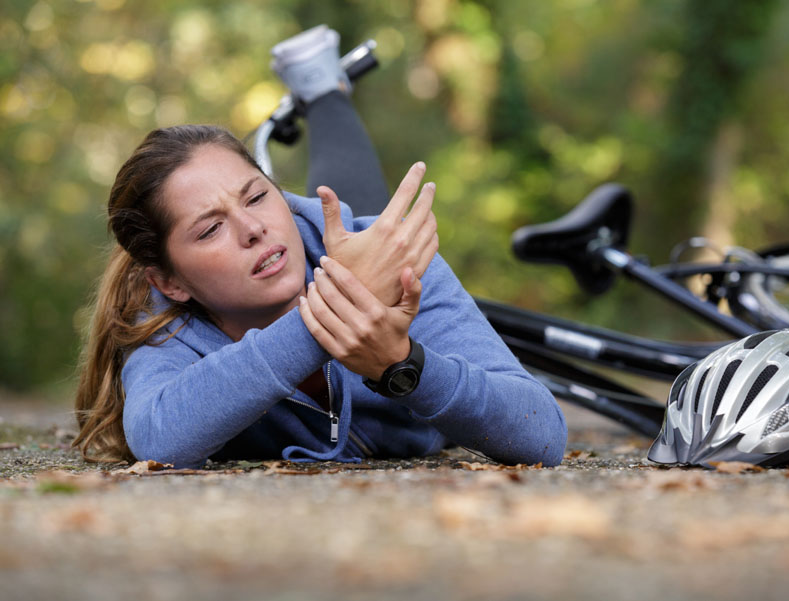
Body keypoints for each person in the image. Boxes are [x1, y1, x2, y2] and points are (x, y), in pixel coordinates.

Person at [73, 26, 567, 468]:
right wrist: (339, 310)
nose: (253, 229)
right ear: (169, 281)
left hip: (342, 237)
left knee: (355, 215)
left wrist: (404, 366)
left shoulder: (396, 260)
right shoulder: (158, 316)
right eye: (209, 229)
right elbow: (161, 438)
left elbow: (542, 436)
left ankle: (324, 91)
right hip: (326, 268)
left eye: (258, 196)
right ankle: (320, 89)